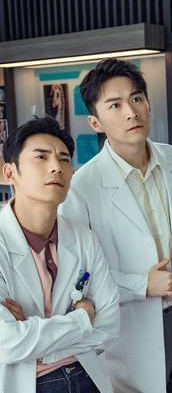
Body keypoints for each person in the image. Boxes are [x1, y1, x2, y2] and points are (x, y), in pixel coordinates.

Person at [59, 59, 172, 393]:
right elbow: (77, 275)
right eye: (115, 105)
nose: (131, 112)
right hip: (129, 327)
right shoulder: (82, 187)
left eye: (136, 99)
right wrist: (141, 285)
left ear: (148, 103)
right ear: (95, 122)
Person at [0, 116, 120, 393]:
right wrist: (82, 318)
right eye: (41, 157)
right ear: (10, 173)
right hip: (26, 383)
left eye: (64, 159)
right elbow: (6, 342)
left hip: (87, 376)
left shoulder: (83, 237)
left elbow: (109, 323)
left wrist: (33, 331)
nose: (56, 167)